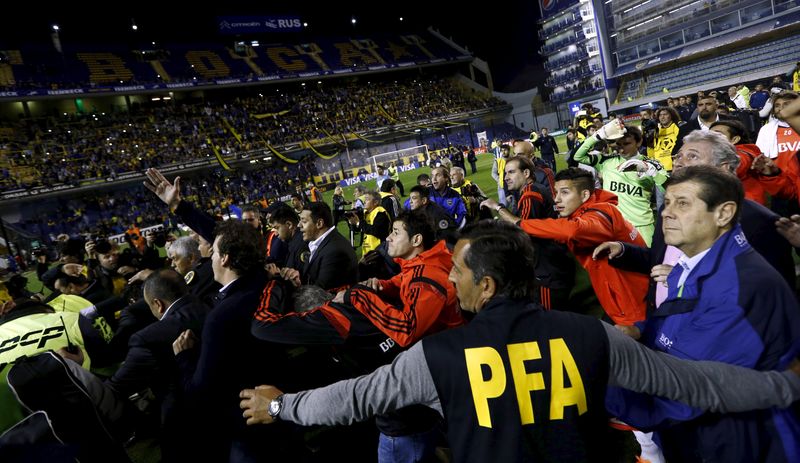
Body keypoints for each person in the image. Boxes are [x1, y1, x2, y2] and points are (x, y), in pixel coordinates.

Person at [239, 221, 800, 463]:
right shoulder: (591, 334)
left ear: (484, 286)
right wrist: (782, 386)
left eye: (457, 272)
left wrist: (282, 405)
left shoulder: (434, 357)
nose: (449, 279)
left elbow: (355, 398)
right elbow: (696, 382)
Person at [605, 166, 800, 462]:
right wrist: (640, 331)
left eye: (682, 203)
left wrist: (592, 372)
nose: (666, 213)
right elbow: (685, 322)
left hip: (738, 438)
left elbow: (683, 391)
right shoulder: (700, 263)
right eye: (667, 203)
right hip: (706, 432)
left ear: (723, 214)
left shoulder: (740, 286)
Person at [517, 167, 649, 327]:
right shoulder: (594, 208)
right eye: (556, 192)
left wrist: (519, 223)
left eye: (564, 193)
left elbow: (573, 231)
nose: (557, 199)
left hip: (633, 308)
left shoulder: (600, 213)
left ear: (585, 195)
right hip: (621, 302)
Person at [480, 156, 574, 310]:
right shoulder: (532, 190)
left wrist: (497, 207)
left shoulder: (531, 193)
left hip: (547, 272)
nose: (506, 177)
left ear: (526, 173)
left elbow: (524, 229)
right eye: (505, 173)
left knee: (549, 322)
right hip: (552, 266)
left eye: (511, 172)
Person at [573, 120, 668, 246]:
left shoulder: (652, 164)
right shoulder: (606, 161)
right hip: (614, 225)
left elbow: (670, 189)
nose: (622, 149)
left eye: (627, 144)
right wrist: (598, 135)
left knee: (649, 263)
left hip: (642, 225)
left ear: (638, 142)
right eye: (619, 145)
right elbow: (578, 156)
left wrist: (653, 173)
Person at [349, 191, 391, 258]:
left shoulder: (380, 213)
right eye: (364, 199)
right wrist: (353, 221)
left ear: (375, 202)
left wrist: (358, 222)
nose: (364, 201)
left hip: (379, 251)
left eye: (367, 199)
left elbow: (376, 231)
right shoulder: (367, 213)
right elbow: (361, 229)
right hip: (369, 249)